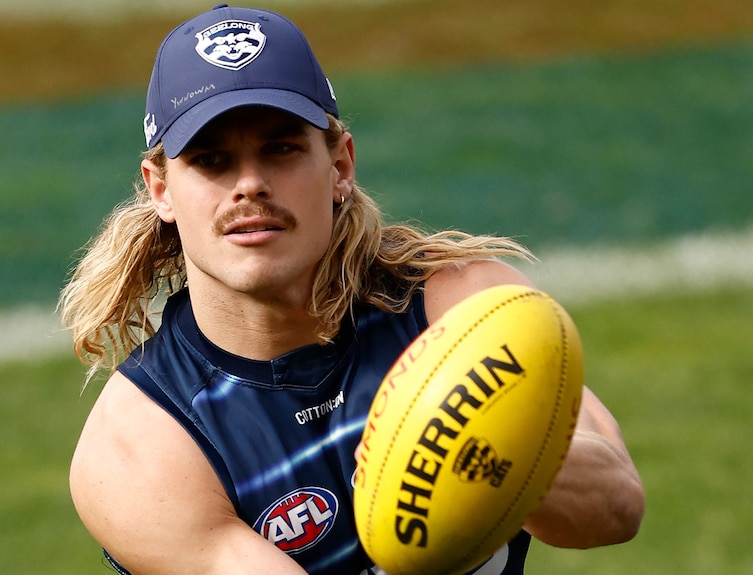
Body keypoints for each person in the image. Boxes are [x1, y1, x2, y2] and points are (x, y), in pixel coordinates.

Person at [59, 5, 645, 574]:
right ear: (160, 189)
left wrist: (479, 442)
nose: (250, 185)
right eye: (211, 160)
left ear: (340, 166)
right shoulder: (139, 445)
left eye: (281, 148)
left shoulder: (463, 312)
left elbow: (616, 510)